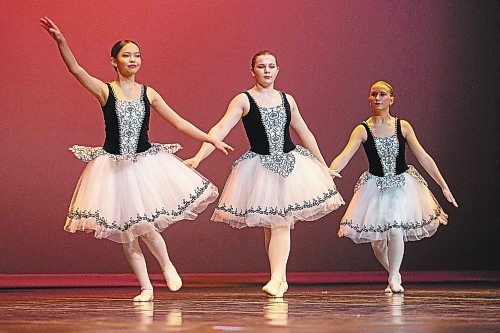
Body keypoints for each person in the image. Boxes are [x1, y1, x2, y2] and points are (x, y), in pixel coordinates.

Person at [40, 17, 233, 302]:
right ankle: (146, 287)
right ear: (114, 61)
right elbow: (76, 70)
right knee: (127, 233)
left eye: (137, 55)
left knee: (145, 225)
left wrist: (210, 138)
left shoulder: (148, 93)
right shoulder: (105, 90)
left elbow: (179, 122)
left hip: (144, 165)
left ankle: (167, 266)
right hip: (113, 167)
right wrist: (61, 42)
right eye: (126, 55)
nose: (133, 59)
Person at [184, 50, 344, 298]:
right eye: (261, 66)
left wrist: (323, 166)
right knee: (272, 226)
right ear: (252, 71)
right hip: (261, 168)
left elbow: (305, 132)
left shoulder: (287, 100)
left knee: (281, 223)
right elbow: (220, 128)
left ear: (278, 70)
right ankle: (279, 278)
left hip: (292, 166)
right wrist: (199, 156)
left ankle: (277, 279)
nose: (267, 71)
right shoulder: (244, 100)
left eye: (271, 66)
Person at [329, 80, 458, 293]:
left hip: (402, 186)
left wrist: (443, 185)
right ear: (369, 98)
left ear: (391, 99)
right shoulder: (362, 129)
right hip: (375, 188)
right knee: (378, 245)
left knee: (396, 228)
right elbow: (343, 156)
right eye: (374, 94)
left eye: (382, 94)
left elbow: (423, 157)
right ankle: (394, 273)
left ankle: (394, 281)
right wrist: (327, 175)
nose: (378, 98)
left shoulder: (403, 126)